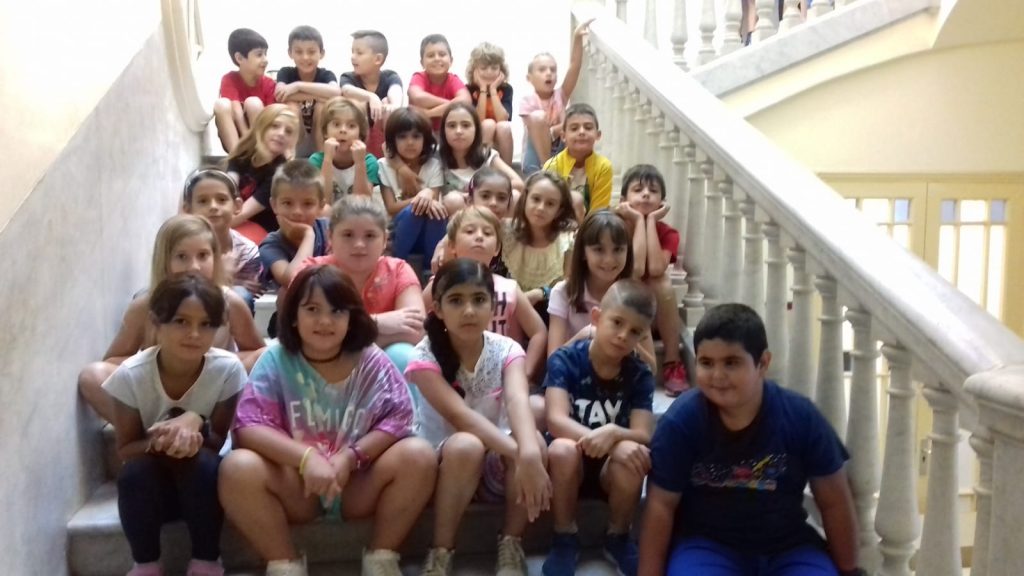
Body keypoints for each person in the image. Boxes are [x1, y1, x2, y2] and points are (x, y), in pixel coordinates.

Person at [219, 265, 436, 576]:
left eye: (337, 311)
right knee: (236, 467)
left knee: (420, 455)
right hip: (298, 487)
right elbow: (248, 426)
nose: (324, 321)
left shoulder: (371, 359)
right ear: (294, 316)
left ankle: (381, 558)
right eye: (312, 309)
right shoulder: (275, 360)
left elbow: (400, 417)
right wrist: (306, 458)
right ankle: (285, 564)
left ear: (352, 317)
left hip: (357, 483)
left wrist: (350, 457)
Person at [638, 303, 860, 576]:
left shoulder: (800, 416)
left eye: (731, 362)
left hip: (789, 545)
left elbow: (834, 500)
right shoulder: (681, 422)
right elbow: (660, 505)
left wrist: (849, 569)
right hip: (707, 544)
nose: (718, 375)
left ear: (763, 363)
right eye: (706, 363)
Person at [406, 258, 551, 576]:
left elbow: (517, 399)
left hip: (493, 464)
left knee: (535, 444)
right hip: (443, 468)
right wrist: (521, 453)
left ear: (493, 305)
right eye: (456, 301)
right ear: (438, 309)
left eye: (479, 299)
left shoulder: (507, 349)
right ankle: (441, 551)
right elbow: (461, 417)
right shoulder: (424, 355)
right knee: (467, 445)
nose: (469, 311)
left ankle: (511, 544)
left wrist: (529, 452)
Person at [105, 273, 246, 576]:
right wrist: (164, 439)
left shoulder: (227, 370)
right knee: (133, 475)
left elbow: (218, 440)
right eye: (181, 321)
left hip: (205, 489)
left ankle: (206, 561)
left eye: (206, 324)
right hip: (154, 490)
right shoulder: (130, 375)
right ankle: (145, 565)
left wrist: (197, 422)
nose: (194, 334)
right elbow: (126, 448)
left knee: (204, 465)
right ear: (156, 323)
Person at [77, 215, 264, 424]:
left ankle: (207, 425)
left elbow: (261, 357)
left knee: (265, 356)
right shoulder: (144, 305)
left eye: (203, 255)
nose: (194, 266)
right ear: (165, 261)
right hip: (157, 394)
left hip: (211, 390)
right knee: (93, 375)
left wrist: (211, 361)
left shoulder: (230, 303)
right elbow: (112, 362)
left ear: (215, 258)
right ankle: (152, 433)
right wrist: (161, 360)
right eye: (182, 257)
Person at [543, 279, 658, 576]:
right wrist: (602, 438)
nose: (623, 336)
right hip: (570, 465)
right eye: (617, 323)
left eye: (635, 332)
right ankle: (564, 535)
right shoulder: (565, 360)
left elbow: (643, 433)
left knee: (634, 451)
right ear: (596, 318)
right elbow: (555, 420)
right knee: (561, 448)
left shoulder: (640, 373)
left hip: (612, 469)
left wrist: (615, 434)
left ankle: (618, 535)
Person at [298, 196, 425, 372]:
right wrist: (377, 322)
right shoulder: (311, 271)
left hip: (381, 367)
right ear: (330, 237)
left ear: (384, 239)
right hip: (318, 364)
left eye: (370, 236)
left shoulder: (398, 270)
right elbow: (306, 332)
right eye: (348, 235)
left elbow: (416, 330)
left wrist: (344, 338)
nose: (359, 244)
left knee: (404, 354)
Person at [422, 207, 547, 383]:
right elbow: (419, 325)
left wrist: (523, 375)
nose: (479, 236)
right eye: (470, 231)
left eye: (487, 233)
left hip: (502, 379)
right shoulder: (439, 286)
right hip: (452, 377)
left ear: (497, 248)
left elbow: (538, 332)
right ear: (452, 245)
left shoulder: (509, 288)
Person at [547, 209, 656, 368]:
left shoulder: (635, 296)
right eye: (599, 249)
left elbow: (652, 368)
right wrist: (586, 335)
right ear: (583, 252)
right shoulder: (563, 292)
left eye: (618, 249)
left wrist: (629, 343)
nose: (609, 260)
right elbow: (552, 361)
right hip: (575, 375)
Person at [616, 164, 688, 394]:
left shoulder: (668, 233)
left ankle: (672, 362)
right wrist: (638, 221)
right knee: (633, 279)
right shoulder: (615, 227)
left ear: (662, 203)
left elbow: (655, 268)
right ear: (623, 200)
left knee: (662, 282)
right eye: (638, 190)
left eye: (653, 191)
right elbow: (636, 270)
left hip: (655, 317)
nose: (646, 194)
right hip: (621, 309)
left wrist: (648, 222)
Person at [181, 167, 262, 311]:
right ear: (188, 210)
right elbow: (175, 287)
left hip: (228, 318)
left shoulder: (247, 251)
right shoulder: (178, 244)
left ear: (237, 206)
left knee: (241, 295)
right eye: (203, 201)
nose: (213, 206)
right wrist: (222, 276)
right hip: (183, 312)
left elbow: (247, 296)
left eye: (222, 200)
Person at [501, 171, 577, 324]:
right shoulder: (506, 231)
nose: (541, 208)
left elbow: (569, 285)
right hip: (510, 310)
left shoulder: (566, 240)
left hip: (551, 311)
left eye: (550, 204)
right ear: (525, 199)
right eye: (536, 199)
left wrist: (541, 293)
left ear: (559, 210)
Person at [378, 107, 447, 272]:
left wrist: (427, 196)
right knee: (414, 210)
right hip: (399, 230)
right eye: (402, 136)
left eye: (416, 136)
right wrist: (420, 197)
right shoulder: (384, 165)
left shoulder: (433, 165)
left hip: (427, 233)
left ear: (425, 139)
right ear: (393, 140)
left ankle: (431, 271)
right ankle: (396, 266)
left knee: (437, 213)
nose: (410, 142)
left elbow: (433, 202)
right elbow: (391, 208)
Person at [520, 19, 593, 174]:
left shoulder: (561, 95)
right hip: (536, 159)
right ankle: (549, 169)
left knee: (577, 119)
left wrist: (577, 37)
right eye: (542, 70)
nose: (549, 73)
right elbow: (537, 127)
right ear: (529, 78)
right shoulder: (528, 101)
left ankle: (556, 170)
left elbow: (574, 66)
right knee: (539, 117)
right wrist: (558, 128)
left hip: (559, 151)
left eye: (553, 70)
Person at [225, 104, 301, 244]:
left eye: (288, 131)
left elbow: (243, 214)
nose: (281, 133)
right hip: (237, 221)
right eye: (275, 126)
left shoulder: (279, 173)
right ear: (262, 126)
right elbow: (226, 190)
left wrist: (208, 226)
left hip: (263, 231)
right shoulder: (243, 154)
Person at [257, 160, 330, 290]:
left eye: (307, 204)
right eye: (287, 203)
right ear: (274, 205)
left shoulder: (331, 231)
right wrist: (308, 235)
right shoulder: (270, 245)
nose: (297, 212)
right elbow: (293, 280)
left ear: (321, 206)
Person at [430, 167, 516, 277]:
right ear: (470, 200)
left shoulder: (512, 231)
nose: (493, 203)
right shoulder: (455, 238)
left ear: (509, 203)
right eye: (485, 196)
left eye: (501, 198)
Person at [273, 25, 340, 158]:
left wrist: (298, 86)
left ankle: (321, 159)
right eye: (299, 52)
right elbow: (280, 95)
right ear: (290, 53)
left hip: (321, 139)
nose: (305, 57)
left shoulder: (326, 75)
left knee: (322, 107)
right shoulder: (286, 72)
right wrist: (320, 95)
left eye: (311, 52)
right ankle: (289, 160)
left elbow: (336, 93)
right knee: (291, 106)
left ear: (321, 53)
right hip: (296, 139)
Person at [339, 30, 404, 157]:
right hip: (357, 141)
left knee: (387, 103)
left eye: (359, 53)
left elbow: (396, 91)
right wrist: (371, 96)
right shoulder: (348, 77)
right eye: (352, 52)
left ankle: (390, 156)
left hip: (382, 134)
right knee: (356, 103)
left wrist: (394, 105)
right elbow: (346, 90)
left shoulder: (390, 76)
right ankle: (359, 156)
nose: (353, 57)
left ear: (378, 59)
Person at [438, 102, 523, 199]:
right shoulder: (436, 157)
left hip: (485, 206)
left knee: (515, 195)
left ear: (476, 129)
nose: (458, 131)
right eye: (452, 126)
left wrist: (478, 191)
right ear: (443, 131)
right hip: (452, 207)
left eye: (465, 125)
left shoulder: (486, 155)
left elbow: (518, 184)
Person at [543, 103, 612, 222]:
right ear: (563, 136)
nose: (581, 132)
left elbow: (599, 211)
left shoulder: (603, 167)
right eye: (574, 128)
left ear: (598, 135)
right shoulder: (553, 165)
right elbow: (548, 205)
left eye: (588, 128)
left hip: (591, 227)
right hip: (558, 224)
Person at [213, 28, 276, 153]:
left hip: (262, 138)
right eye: (259, 55)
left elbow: (272, 119)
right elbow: (236, 110)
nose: (265, 59)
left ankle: (259, 155)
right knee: (221, 104)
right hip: (236, 139)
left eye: (265, 54)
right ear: (239, 58)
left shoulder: (269, 84)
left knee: (253, 103)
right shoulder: (229, 79)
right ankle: (236, 158)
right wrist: (246, 137)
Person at [307, 98, 379, 205]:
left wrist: (360, 163)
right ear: (325, 132)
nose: (343, 130)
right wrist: (328, 159)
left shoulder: (368, 161)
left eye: (351, 126)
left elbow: (362, 203)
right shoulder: (316, 160)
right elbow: (322, 203)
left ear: (360, 134)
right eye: (336, 124)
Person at [408, 34, 471, 132]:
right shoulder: (418, 77)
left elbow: (466, 101)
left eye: (442, 54)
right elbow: (417, 97)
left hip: (447, 133)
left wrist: (429, 113)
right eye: (430, 55)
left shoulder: (453, 79)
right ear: (422, 63)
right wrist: (453, 104)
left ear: (451, 61)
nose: (437, 59)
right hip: (420, 132)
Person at [464, 42, 514, 164]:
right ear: (474, 70)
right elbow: (478, 119)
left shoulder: (506, 89)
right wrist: (482, 89)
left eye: (494, 68)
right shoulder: (468, 89)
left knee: (504, 126)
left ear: (501, 70)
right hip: (476, 139)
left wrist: (492, 90)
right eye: (483, 68)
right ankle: (482, 168)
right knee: (488, 124)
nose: (489, 72)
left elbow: (502, 118)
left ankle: (506, 171)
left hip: (499, 139)